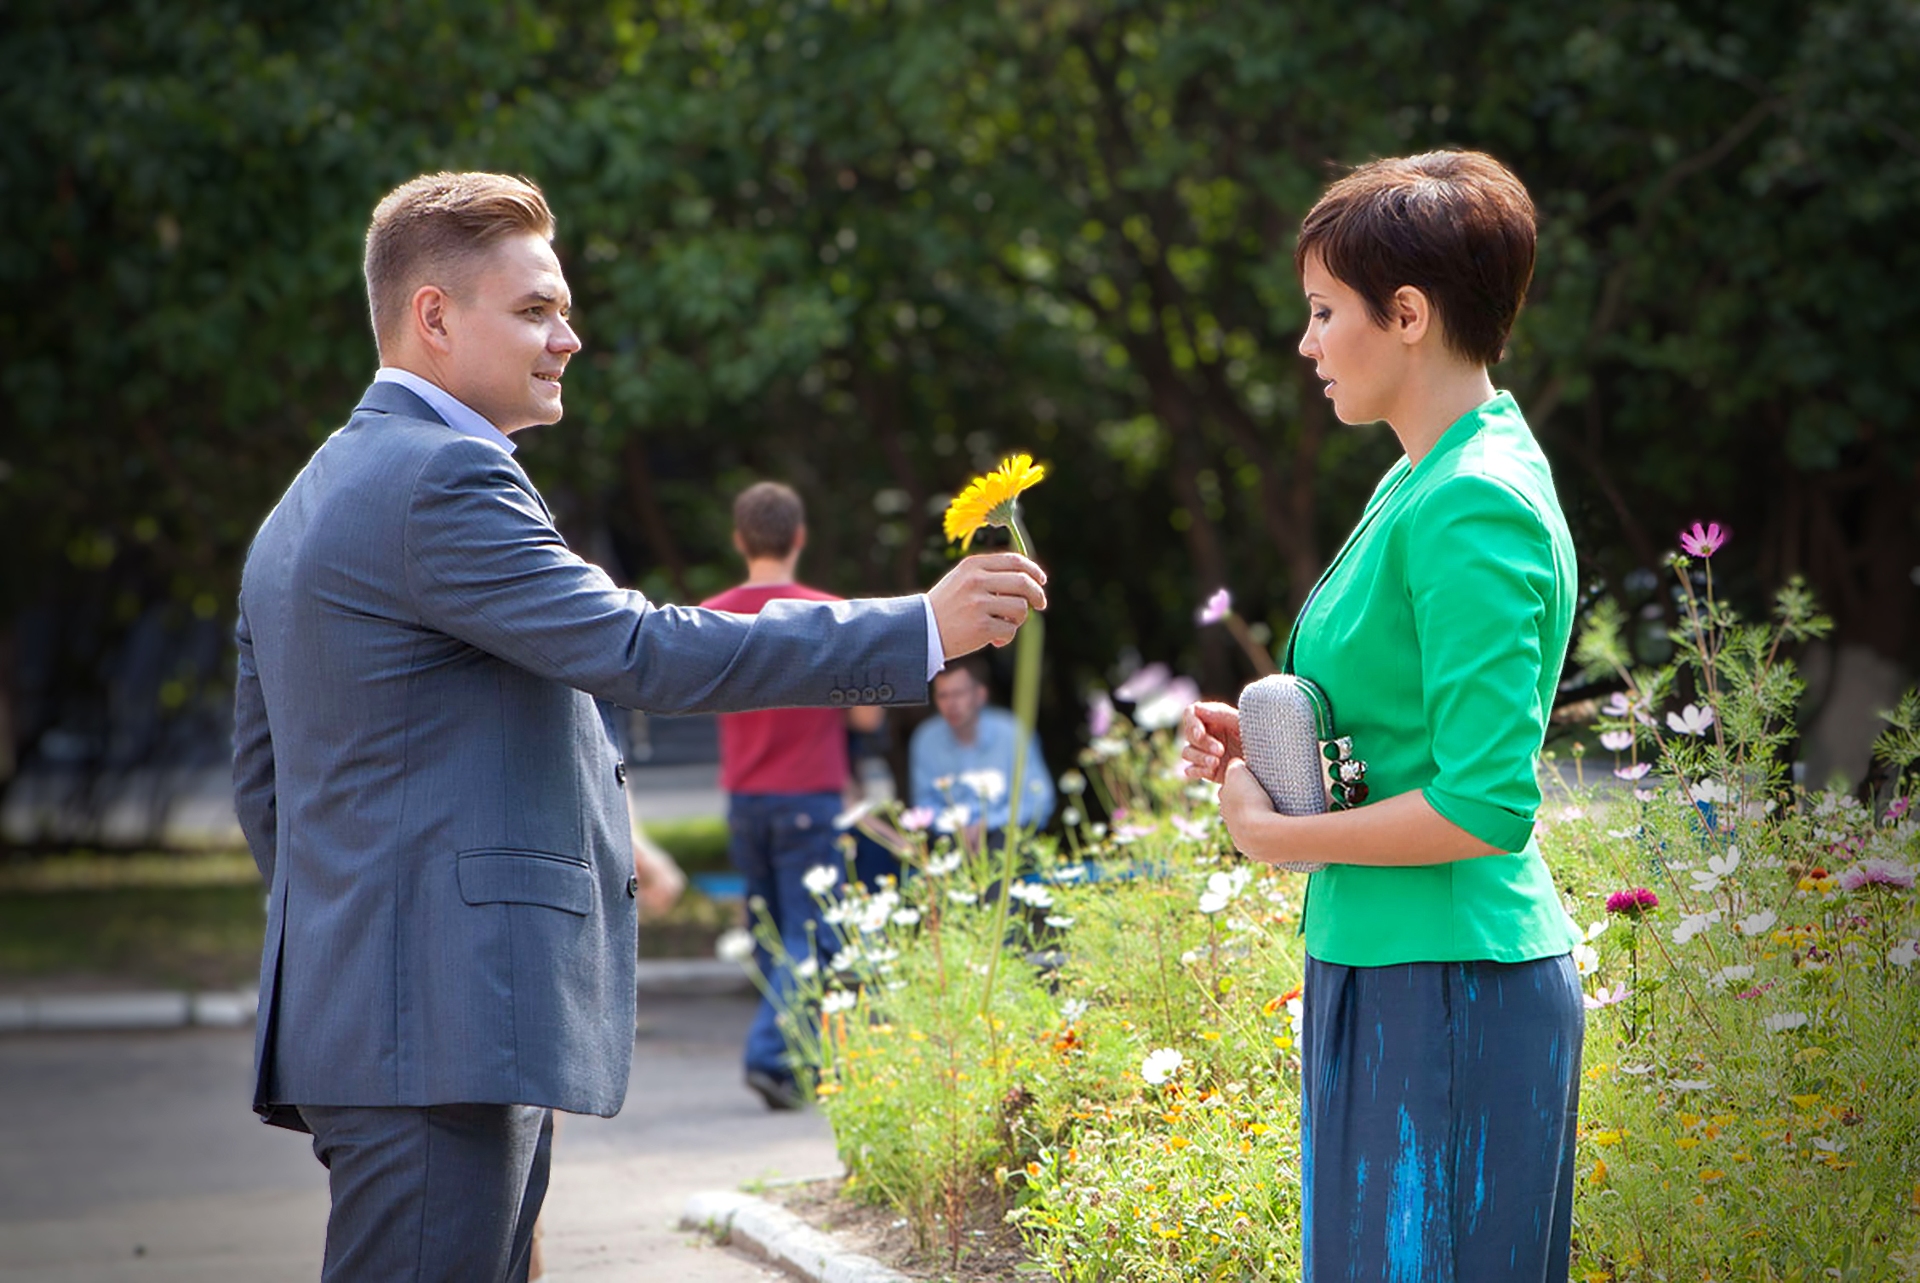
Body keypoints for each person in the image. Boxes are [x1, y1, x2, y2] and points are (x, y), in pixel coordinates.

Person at [230, 171, 1047, 1283]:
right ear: (433, 316)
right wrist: (917, 626)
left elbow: (262, 782)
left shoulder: (312, 492)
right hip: (437, 1029)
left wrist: (365, 943)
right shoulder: (443, 475)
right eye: (534, 310)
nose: (568, 337)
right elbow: (640, 648)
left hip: (396, 1017)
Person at [1180, 150, 1584, 1281]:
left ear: (1408, 314)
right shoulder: (1420, 471)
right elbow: (1403, 718)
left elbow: (1485, 802)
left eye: (1322, 312)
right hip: (1383, 961)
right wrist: (1278, 747)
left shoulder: (1470, 500)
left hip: (1453, 982)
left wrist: (1277, 837)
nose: (1306, 343)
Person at [701, 480, 884, 1111]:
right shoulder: (827, 613)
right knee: (809, 937)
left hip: (746, 800)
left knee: (769, 937)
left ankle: (790, 1062)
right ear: (799, 538)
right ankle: (771, 1057)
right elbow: (864, 720)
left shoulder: (712, 613)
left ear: (738, 541)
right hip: (811, 796)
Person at [909, 654, 1054, 848]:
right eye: (943, 695)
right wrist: (957, 827)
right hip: (952, 838)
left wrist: (988, 824)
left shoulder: (1011, 732)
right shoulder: (925, 739)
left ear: (980, 695)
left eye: (959, 694)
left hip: (1006, 834)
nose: (951, 704)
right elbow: (924, 804)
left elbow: (1039, 800)